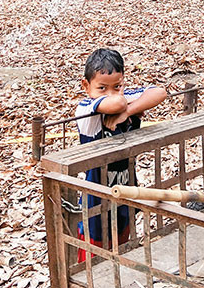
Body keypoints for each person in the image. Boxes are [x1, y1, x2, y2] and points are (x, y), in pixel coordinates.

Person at [75, 48, 167, 260]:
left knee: (121, 246)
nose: (111, 92)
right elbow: (115, 102)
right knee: (94, 254)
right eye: (101, 88)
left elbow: (160, 92)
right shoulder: (86, 108)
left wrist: (127, 112)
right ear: (86, 86)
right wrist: (123, 102)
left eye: (117, 85)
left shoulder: (123, 100)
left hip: (125, 188)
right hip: (97, 196)